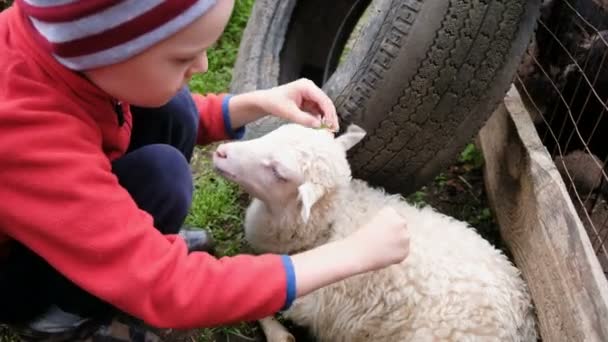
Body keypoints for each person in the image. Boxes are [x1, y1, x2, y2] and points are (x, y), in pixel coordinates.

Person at [0, 1, 410, 341]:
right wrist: (350, 255)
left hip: (50, 210)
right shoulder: (27, 133)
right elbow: (167, 288)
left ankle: (137, 241)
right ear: (102, 49)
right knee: (163, 176)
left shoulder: (56, 42)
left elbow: (130, 101)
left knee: (173, 108)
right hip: (16, 275)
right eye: (181, 56)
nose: (203, 64)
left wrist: (256, 103)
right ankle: (60, 316)